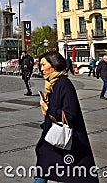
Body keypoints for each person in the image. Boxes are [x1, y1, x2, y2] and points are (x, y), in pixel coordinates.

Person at [34, 51, 99, 183]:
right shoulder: (52, 83)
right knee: (43, 169)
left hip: (65, 138)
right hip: (53, 136)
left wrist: (48, 110)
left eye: (43, 65)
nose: (41, 69)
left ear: (54, 64)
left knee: (45, 168)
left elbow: (70, 113)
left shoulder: (63, 84)